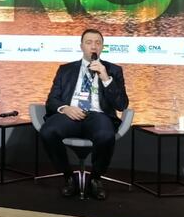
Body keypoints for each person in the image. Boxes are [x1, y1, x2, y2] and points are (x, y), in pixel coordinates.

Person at [39, 28, 129, 200]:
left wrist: (105, 78)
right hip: (70, 113)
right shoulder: (65, 70)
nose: (93, 46)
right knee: (48, 131)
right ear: (81, 46)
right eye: (89, 42)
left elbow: (121, 104)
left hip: (98, 115)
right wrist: (66, 108)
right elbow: (51, 100)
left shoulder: (113, 70)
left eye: (97, 43)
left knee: (106, 135)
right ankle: (68, 177)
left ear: (102, 47)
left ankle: (95, 179)